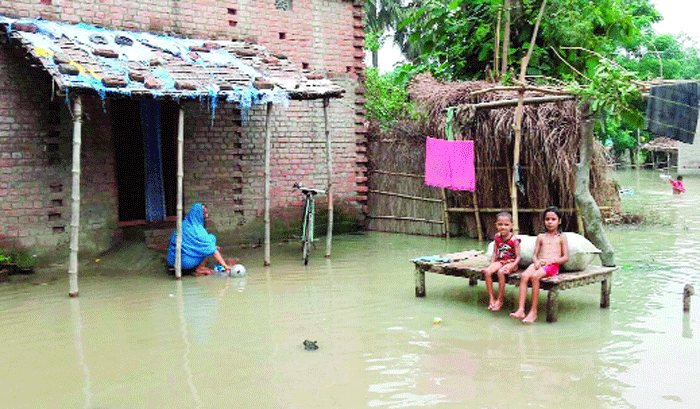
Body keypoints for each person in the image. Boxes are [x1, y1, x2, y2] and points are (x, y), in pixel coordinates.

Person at [510, 206, 569, 324]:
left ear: (559, 221)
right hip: (540, 263)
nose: (550, 222)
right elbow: (534, 255)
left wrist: (552, 261)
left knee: (535, 276)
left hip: (552, 266)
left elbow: (565, 257)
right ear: (544, 221)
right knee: (524, 276)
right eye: (547, 219)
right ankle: (521, 309)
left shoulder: (562, 237)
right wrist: (536, 262)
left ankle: (533, 311)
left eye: (553, 219)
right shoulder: (541, 237)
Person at [167, 203, 233, 275]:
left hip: (172, 261)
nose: (206, 216)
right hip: (185, 263)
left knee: (208, 244)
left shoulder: (183, 224)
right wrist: (226, 266)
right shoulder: (198, 231)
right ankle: (200, 268)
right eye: (205, 213)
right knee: (211, 239)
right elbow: (213, 250)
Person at [481, 212, 520, 311]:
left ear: (511, 226)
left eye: (506, 225)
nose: (503, 227)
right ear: (496, 225)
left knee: (501, 272)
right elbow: (495, 253)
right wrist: (491, 265)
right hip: (500, 261)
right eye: (500, 224)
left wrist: (512, 266)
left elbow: (519, 257)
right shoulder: (497, 237)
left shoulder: (514, 240)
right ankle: (491, 298)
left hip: (511, 262)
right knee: (488, 272)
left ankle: (500, 299)